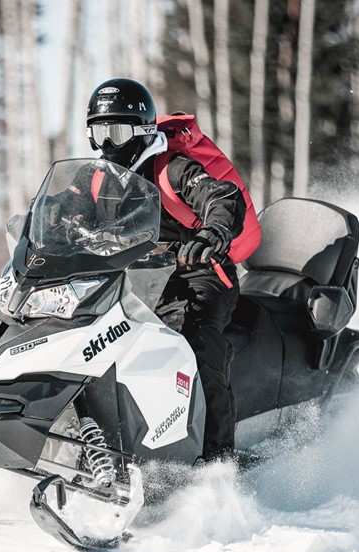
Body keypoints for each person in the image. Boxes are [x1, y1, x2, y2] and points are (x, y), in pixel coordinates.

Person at [85, 77, 253, 463]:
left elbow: (219, 195)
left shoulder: (172, 167)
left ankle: (217, 456)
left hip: (199, 273)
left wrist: (214, 230)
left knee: (193, 341)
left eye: (117, 132)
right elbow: (65, 205)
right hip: (135, 279)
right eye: (98, 132)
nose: (108, 144)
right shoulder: (97, 178)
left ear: (143, 132)